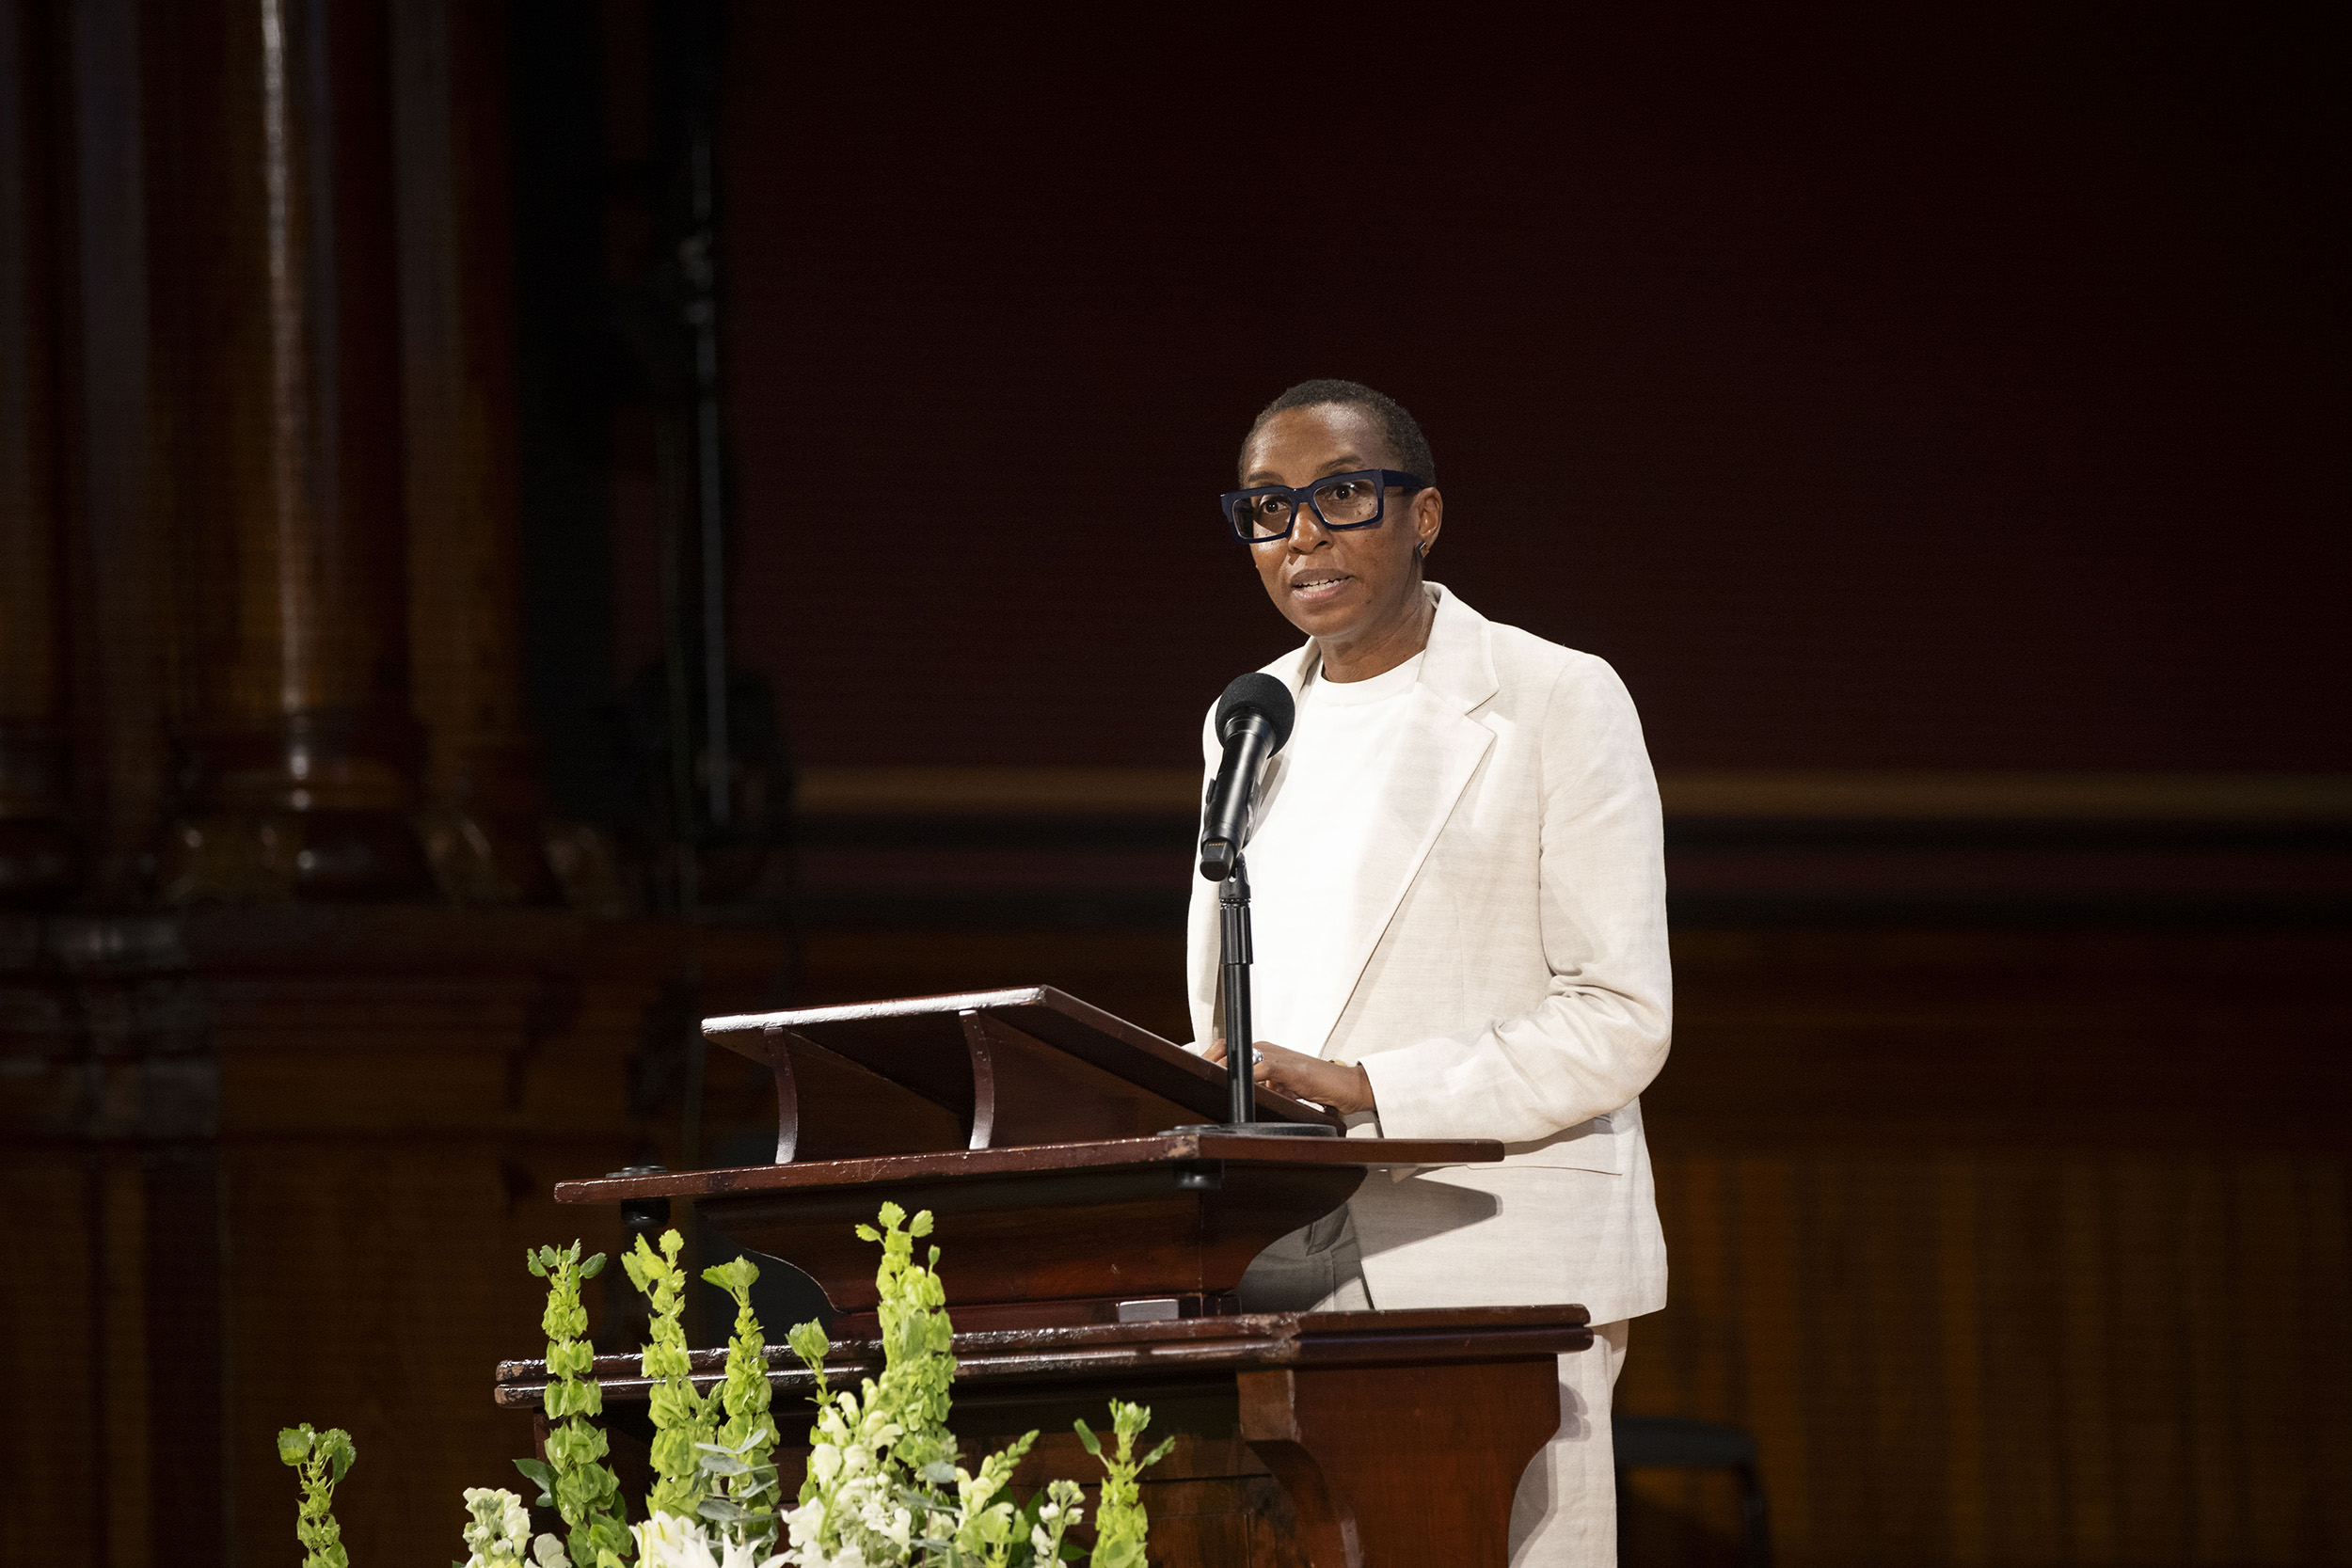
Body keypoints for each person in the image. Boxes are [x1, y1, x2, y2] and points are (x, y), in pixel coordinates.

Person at [1192, 379, 1671, 1568]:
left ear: (1425, 515)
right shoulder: (1243, 719)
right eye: (1266, 507)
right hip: (1276, 1265)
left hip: (1494, 1263)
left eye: (1340, 493)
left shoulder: (1556, 695)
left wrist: (1366, 1087)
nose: (1301, 533)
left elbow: (1620, 1017)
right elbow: (1220, 1007)